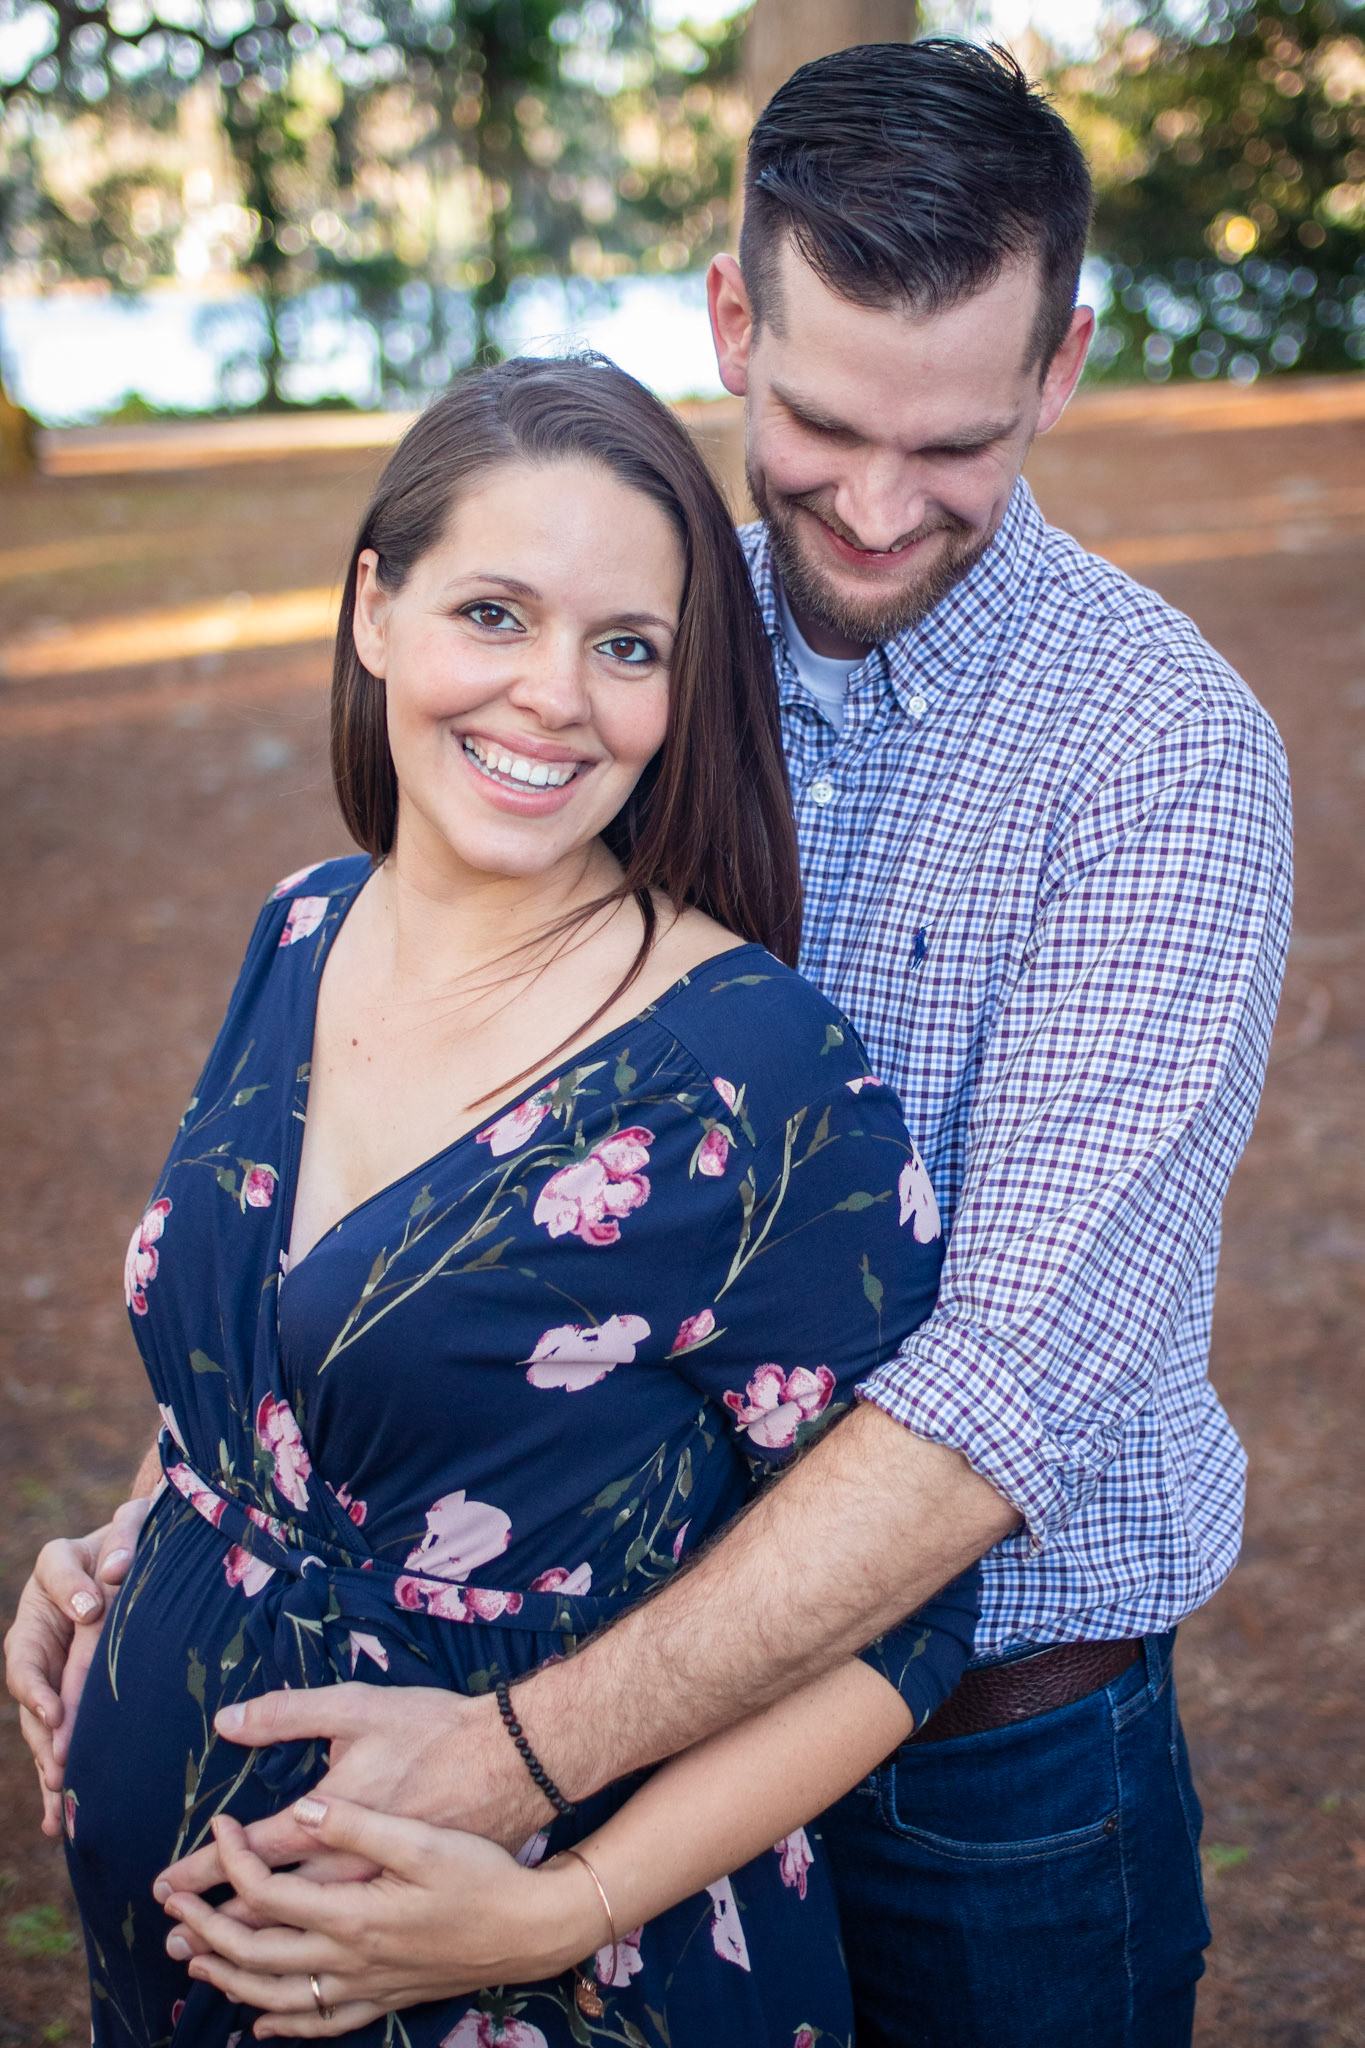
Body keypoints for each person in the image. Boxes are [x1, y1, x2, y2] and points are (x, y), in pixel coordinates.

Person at [7, 39, 1293, 2048]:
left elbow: (996, 1404)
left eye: (954, 442)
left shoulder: (1158, 758)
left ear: (1059, 366)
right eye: (822, 422)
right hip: (561, 1694)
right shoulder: (628, 625)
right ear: (730, 327)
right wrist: (192, 1526)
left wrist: (520, 1773)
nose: (876, 505)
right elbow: (431, 1207)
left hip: (972, 1775)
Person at [33, 352, 981, 2048]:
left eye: (627, 647)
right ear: (373, 611)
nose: (553, 696)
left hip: (547, 1986)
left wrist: (562, 1905)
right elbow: (274, 1363)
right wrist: (149, 1528)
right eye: (493, 613)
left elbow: (900, 1615)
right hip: (175, 1964)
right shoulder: (303, 928)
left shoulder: (750, 1075)